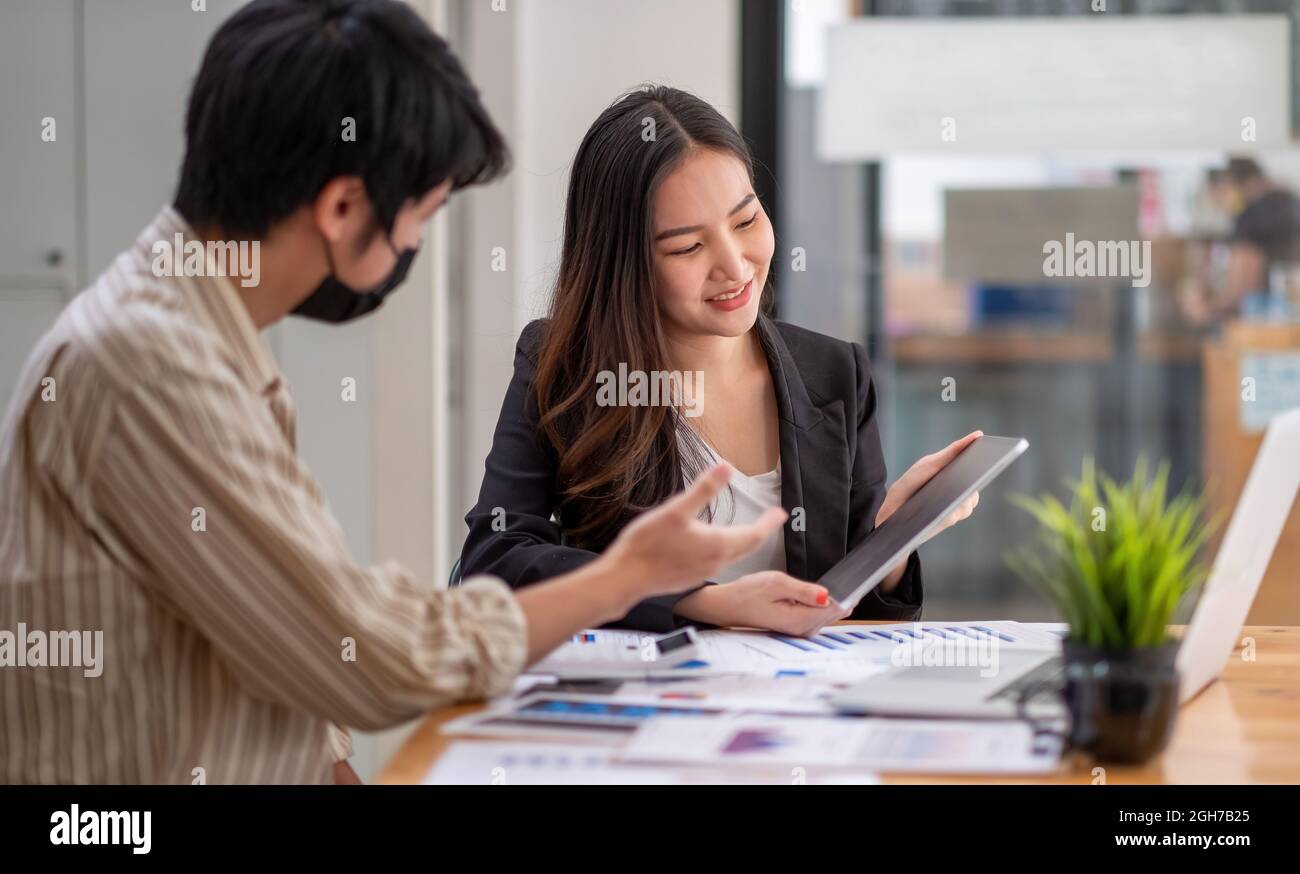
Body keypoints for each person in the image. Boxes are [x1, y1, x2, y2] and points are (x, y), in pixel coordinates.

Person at [0, 0, 784, 785]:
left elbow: (287, 636)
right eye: (420, 216)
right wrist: (625, 577)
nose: (414, 245)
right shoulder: (155, 367)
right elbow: (366, 654)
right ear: (343, 208)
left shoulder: (195, 335)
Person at [461, 86, 981, 637]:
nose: (734, 266)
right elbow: (494, 562)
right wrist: (707, 602)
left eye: (746, 221)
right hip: (641, 707)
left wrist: (893, 537)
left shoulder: (834, 374)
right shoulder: (565, 368)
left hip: (794, 711)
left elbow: (863, 627)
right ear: (624, 263)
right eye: (687, 248)